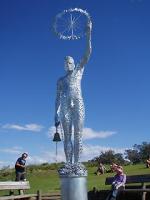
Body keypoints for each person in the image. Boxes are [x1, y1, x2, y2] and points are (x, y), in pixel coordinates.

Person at [54, 21, 92, 165]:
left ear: (74, 64)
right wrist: (55, 113)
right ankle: (69, 163)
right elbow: (57, 97)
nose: (67, 65)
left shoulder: (79, 70)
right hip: (64, 106)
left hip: (78, 103)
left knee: (78, 135)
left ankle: (77, 163)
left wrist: (88, 34)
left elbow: (87, 54)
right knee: (67, 136)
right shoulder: (61, 80)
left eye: (70, 62)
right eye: (65, 63)